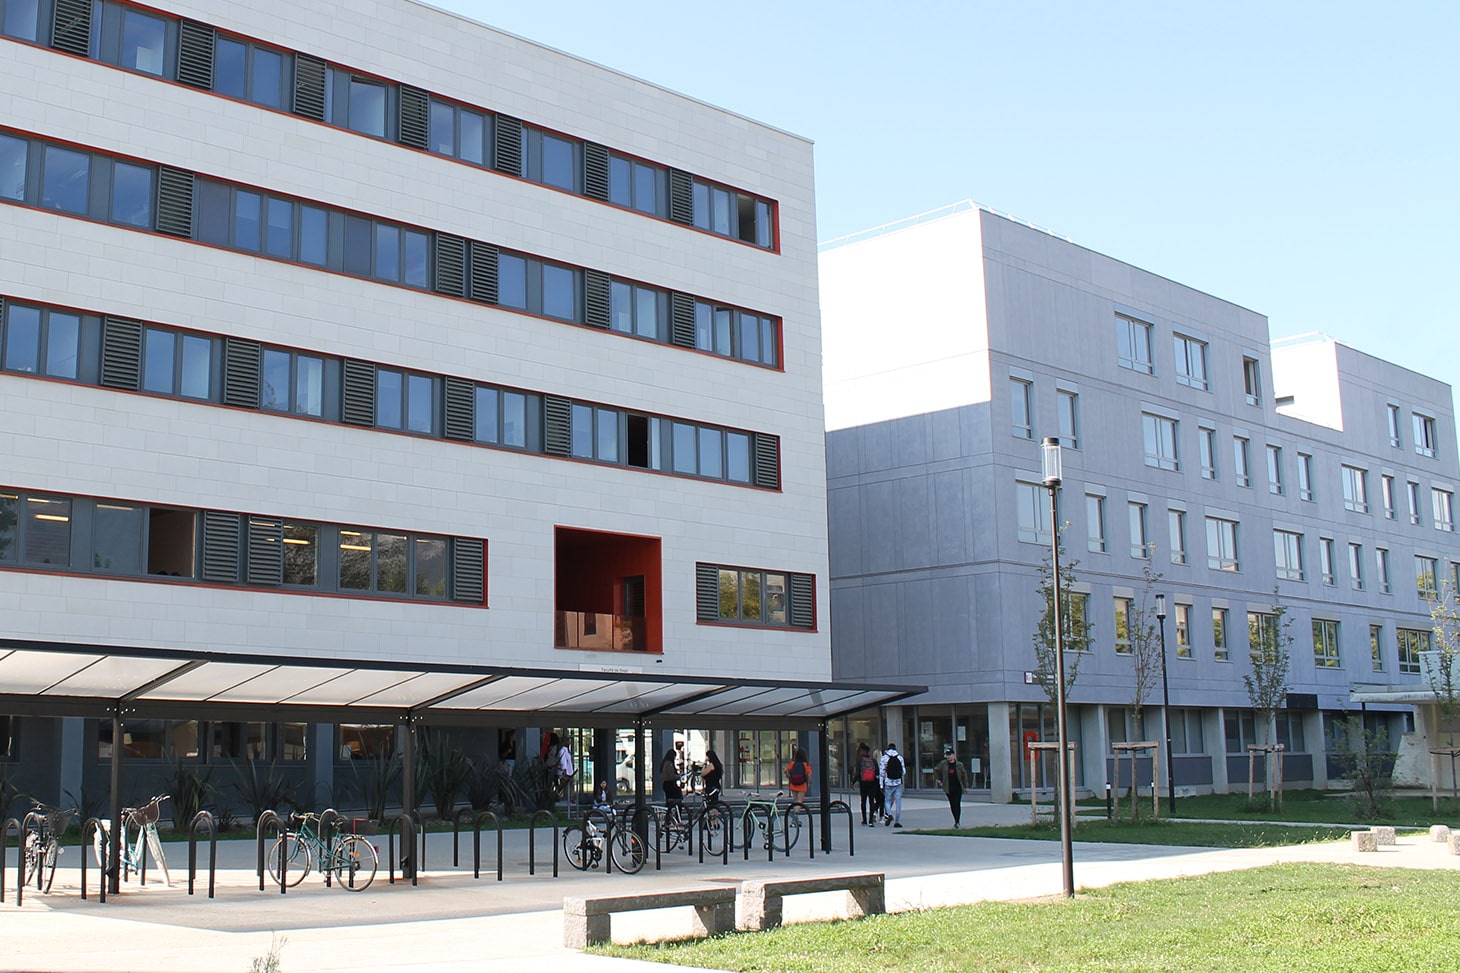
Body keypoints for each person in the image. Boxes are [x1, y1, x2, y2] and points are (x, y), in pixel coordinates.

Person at [934, 745, 972, 827]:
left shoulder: (959, 765)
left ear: (954, 755)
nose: (948, 757)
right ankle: (955, 819)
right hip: (948, 787)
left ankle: (957, 821)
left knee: (957, 803)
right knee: (952, 804)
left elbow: (963, 776)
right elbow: (936, 770)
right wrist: (938, 779)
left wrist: (966, 786)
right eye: (947, 755)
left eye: (950, 754)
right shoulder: (943, 764)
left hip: (957, 787)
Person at [880, 741, 905, 828]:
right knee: (898, 802)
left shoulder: (884, 758)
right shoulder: (900, 757)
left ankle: (889, 814)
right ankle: (897, 822)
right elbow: (903, 771)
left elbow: (882, 773)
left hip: (888, 782)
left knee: (887, 800)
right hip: (898, 782)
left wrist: (881, 785)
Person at [855, 743, 880, 826]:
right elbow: (877, 772)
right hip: (872, 783)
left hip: (863, 783)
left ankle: (864, 820)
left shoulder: (860, 761)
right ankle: (871, 821)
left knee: (863, 801)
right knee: (871, 801)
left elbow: (858, 773)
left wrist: (853, 781)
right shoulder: (873, 760)